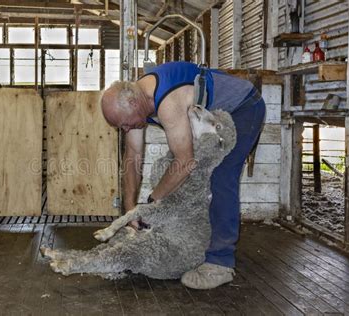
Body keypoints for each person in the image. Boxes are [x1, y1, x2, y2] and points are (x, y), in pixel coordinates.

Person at [100, 61, 266, 290]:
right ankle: (197, 245)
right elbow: (133, 158)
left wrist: (150, 205)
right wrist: (130, 211)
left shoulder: (168, 102)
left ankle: (220, 262)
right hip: (213, 113)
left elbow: (184, 163)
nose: (126, 129)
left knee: (220, 175)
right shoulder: (137, 103)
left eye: (125, 125)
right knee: (181, 175)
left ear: (132, 102)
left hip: (244, 108)